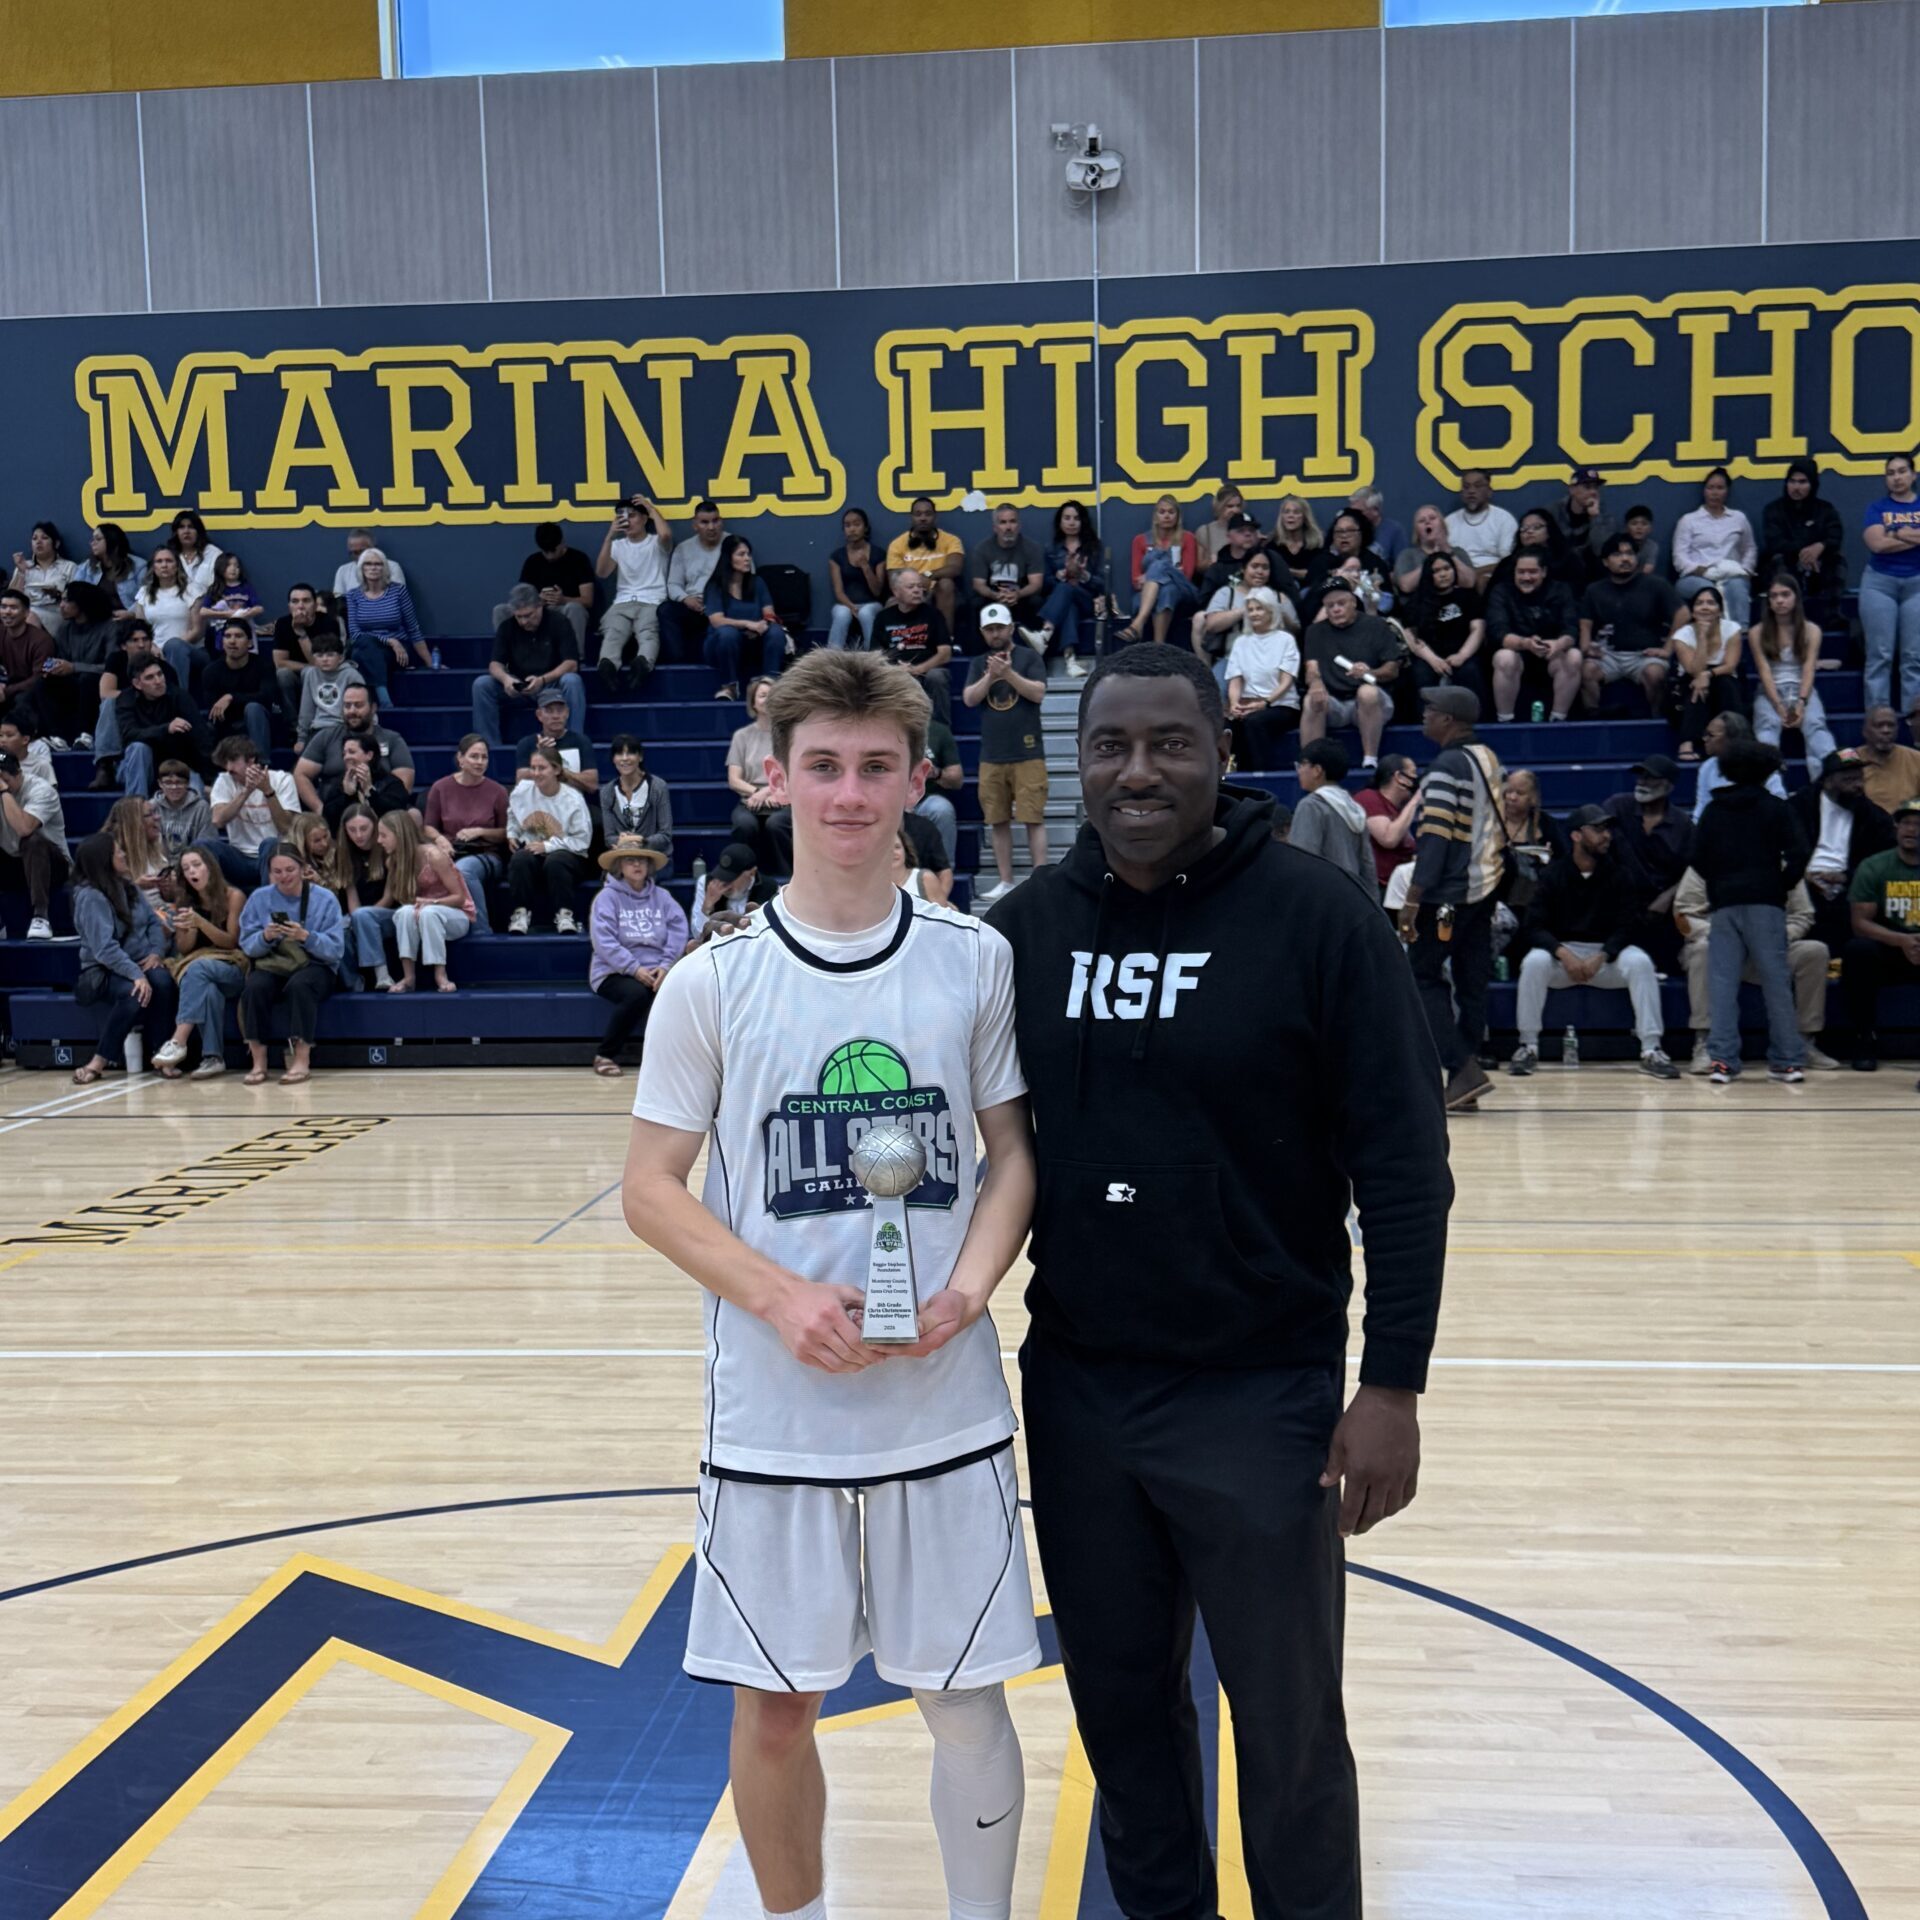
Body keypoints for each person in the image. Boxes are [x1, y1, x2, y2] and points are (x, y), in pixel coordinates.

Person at [985, 641, 1449, 1920]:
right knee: (1123, 1723)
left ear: (1221, 754)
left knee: (1288, 1737)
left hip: (1261, 1392)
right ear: (1079, 765)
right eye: (1111, 747)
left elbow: (1407, 1170)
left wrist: (1392, 1386)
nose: (1138, 772)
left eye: (1168, 744)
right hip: (1080, 1391)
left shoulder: (1318, 920)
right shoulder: (1021, 935)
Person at [623, 647, 1041, 1920]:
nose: (849, 795)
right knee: (776, 1711)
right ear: (774, 778)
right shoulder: (713, 982)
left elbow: (1014, 1157)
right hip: (776, 1415)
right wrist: (779, 1297)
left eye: (874, 767)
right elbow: (650, 1189)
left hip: (941, 1401)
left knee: (963, 1700)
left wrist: (970, 1288)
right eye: (823, 767)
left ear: (917, 779)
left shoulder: (974, 958)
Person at [1508, 806, 1679, 1080]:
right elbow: (1534, 926)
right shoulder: (1553, 874)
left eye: (1607, 829)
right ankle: (1527, 1046)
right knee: (1533, 963)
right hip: (1564, 957)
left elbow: (1627, 927)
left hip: (1605, 958)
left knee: (1641, 963)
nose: (1606, 835)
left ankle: (1651, 1049)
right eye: (1597, 829)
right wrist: (1563, 954)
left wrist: (1603, 955)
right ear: (1576, 835)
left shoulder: (1620, 875)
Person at [1398, 685, 1506, 1110]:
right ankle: (1466, 1078)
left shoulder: (1445, 766)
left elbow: (1436, 837)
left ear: (1449, 719)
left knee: (1421, 977)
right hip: (1486, 887)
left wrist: (1413, 898)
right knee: (1471, 983)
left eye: (1430, 709)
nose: (1424, 715)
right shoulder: (1487, 757)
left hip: (1448, 893)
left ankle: (1461, 1067)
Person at [1685, 740, 1810, 1085]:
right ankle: (1787, 1061)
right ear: (1766, 771)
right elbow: (1800, 852)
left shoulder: (1714, 810)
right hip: (1766, 901)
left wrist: (1720, 882)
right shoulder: (1776, 808)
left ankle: (1722, 1062)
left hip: (1725, 903)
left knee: (1722, 985)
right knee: (1776, 983)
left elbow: (1695, 856)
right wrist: (1782, 883)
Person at [1676, 865, 1834, 1076]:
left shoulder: (1782, 865)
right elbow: (1684, 914)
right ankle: (1706, 1043)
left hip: (1770, 948)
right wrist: (1725, 936)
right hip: (1718, 946)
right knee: (1703, 950)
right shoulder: (1705, 862)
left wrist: (1775, 937)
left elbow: (1802, 915)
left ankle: (1802, 1042)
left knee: (1814, 951)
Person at [67, 832, 180, 1085]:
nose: (124, 854)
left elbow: (153, 922)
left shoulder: (128, 886)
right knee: (134, 994)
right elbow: (105, 949)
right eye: (119, 851)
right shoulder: (91, 897)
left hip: (142, 960)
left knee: (163, 982)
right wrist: (136, 975)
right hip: (105, 968)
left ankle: (161, 1055)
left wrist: (156, 953)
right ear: (104, 859)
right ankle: (99, 1060)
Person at [965, 604, 1049, 905]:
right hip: (992, 754)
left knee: (1033, 817)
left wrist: (1008, 673)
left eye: (1000, 627)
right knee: (997, 820)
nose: (995, 633)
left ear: (1011, 628)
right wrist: (991, 676)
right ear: (982, 633)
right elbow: (969, 698)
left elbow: (1038, 693)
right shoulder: (978, 663)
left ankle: (1040, 881)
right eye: (989, 629)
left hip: (1028, 751)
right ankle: (1005, 881)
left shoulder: (1029, 657)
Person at [238, 850, 344, 1085]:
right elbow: (247, 945)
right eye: (277, 872)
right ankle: (258, 1061)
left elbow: (335, 950)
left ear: (303, 869)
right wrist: (265, 937)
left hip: (316, 965)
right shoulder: (259, 898)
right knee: (254, 986)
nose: (284, 876)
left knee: (300, 985)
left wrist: (306, 936)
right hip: (275, 961)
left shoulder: (325, 899)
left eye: (290, 870)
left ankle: (301, 1059)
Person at [588, 837, 687, 1076]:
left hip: (658, 969)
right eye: (630, 860)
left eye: (642, 860)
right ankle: (605, 1055)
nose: (637, 865)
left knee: (683, 992)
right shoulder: (607, 898)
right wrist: (634, 968)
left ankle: (677, 1060)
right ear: (619, 866)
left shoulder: (663, 897)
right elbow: (603, 942)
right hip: (613, 971)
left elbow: (678, 930)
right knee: (637, 994)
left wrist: (666, 966)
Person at [151, 845, 247, 1079]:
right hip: (201, 967)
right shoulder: (185, 901)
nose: (191, 871)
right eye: (186, 868)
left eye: (196, 865)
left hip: (233, 967)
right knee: (208, 988)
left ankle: (178, 1040)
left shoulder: (233, 896)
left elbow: (231, 942)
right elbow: (184, 949)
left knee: (197, 969)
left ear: (210, 867)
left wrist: (201, 923)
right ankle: (213, 1058)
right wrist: (190, 928)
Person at [1842, 796, 1920, 1073]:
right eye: (1906, 823)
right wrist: (1902, 940)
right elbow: (1860, 923)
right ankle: (1865, 1037)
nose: (1912, 830)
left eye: (1918, 824)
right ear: (1896, 828)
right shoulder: (1874, 866)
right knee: (1858, 950)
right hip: (1892, 949)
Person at [1791, 747, 1895, 952]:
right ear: (1828, 781)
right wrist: (1804, 875)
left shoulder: (1875, 817)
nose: (1858, 786)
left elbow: (1884, 861)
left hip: (1850, 887)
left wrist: (1847, 877)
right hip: (1803, 882)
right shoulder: (1798, 807)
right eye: (1849, 780)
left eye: (1860, 778)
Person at [1298, 580, 1403, 770]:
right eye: (1330, 606)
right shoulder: (1315, 631)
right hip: (1335, 702)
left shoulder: (1376, 625)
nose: (1336, 609)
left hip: (1373, 701)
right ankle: (1310, 763)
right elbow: (1311, 668)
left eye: (1341, 603)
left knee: (1367, 693)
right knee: (1311, 699)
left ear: (1353, 602)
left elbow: (1392, 669)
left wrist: (1370, 672)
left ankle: (1370, 759)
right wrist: (1315, 683)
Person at [1602, 752, 1692, 972]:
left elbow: (1693, 870)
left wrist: (1666, 897)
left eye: (1651, 778)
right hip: (1618, 901)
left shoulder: (1683, 825)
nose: (1642, 782)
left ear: (1668, 786)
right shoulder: (1617, 807)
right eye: (1641, 776)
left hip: (1660, 909)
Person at [1579, 532, 1680, 714]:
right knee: (1587, 671)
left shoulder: (1656, 585)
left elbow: (1683, 614)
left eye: (1630, 553)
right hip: (1607, 654)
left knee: (1655, 675)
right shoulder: (1594, 590)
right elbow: (1585, 623)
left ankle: (1657, 721)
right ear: (1605, 561)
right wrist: (1586, 647)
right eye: (1617, 554)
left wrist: (1668, 649)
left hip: (1645, 654)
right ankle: (1592, 719)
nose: (1625, 559)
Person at [476, 583, 585, 750]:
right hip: (518, 685)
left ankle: (572, 745)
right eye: (519, 617)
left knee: (572, 681)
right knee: (482, 684)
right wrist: (506, 679)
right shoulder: (507, 626)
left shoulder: (559, 621)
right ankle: (488, 749)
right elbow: (495, 664)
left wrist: (542, 680)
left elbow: (571, 664)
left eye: (528, 615)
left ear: (539, 606)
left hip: (550, 685)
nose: (523, 622)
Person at [378, 806, 473, 992]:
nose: (378, 840)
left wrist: (433, 902)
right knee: (404, 912)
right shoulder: (393, 861)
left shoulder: (434, 856)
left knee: (429, 913)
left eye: (383, 835)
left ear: (399, 835)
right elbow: (405, 900)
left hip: (455, 914)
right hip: (422, 913)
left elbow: (460, 898)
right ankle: (409, 977)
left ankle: (440, 975)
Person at [1750, 573, 1836, 776]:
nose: (1779, 600)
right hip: (1770, 691)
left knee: (1816, 727)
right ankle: (1770, 788)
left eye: (1785, 594)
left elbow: (1808, 668)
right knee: (1767, 729)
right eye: (1774, 596)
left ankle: (1829, 782)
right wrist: (1778, 705)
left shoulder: (1812, 630)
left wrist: (1801, 702)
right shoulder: (1757, 632)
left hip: (1802, 688)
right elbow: (1764, 671)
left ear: (1796, 597)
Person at [424, 734, 511, 927]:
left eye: (484, 757)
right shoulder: (440, 788)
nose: (480, 762)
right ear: (460, 758)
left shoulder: (498, 791)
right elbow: (428, 826)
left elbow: (507, 833)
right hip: (450, 850)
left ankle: (481, 929)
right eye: (474, 756)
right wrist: (440, 839)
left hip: (486, 853)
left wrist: (481, 831)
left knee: (464, 870)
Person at [1858, 450, 1920, 718]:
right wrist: (1911, 536)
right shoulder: (1877, 508)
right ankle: (1878, 719)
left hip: (1917, 584)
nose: (1897, 477)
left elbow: (1886, 540)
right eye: (1891, 473)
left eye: (1902, 471)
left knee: (1913, 657)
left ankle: (1914, 722)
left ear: (1913, 475)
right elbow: (1877, 545)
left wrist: (1895, 533)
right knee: (1880, 655)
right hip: (1879, 584)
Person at [507, 745, 593, 934]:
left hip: (570, 854)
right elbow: (513, 814)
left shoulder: (573, 799)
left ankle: (565, 915)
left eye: (542, 768)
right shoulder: (522, 791)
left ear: (556, 770)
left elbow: (582, 841)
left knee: (556, 861)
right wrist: (512, 833)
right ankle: (520, 913)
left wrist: (547, 846)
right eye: (533, 768)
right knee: (520, 859)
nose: (536, 773)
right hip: (534, 851)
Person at [294, 684, 416, 813]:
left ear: (373, 708)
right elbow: (301, 774)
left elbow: (404, 784)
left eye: (358, 705)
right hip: (336, 810)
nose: (352, 711)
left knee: (414, 814)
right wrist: (321, 810)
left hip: (382, 812)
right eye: (347, 706)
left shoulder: (392, 739)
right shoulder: (326, 737)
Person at [593, 491, 671, 694]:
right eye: (621, 516)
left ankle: (642, 664)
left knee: (648, 632)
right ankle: (607, 667)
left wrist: (651, 508)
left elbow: (666, 535)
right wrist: (610, 536)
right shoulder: (617, 545)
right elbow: (602, 572)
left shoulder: (655, 542)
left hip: (652, 601)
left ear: (644, 519)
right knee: (613, 633)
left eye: (632, 515)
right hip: (623, 601)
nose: (627, 520)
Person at [1222, 585, 1301, 771]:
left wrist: (1265, 702)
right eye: (1250, 610)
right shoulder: (1241, 642)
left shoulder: (1285, 640)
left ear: (1271, 611)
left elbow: (1286, 682)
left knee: (1254, 722)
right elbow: (1235, 680)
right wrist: (1234, 704)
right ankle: (1233, 775)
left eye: (1259, 608)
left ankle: (1261, 775)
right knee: (1225, 724)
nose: (1254, 613)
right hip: (1248, 703)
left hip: (1280, 705)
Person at [31, 582, 120, 746]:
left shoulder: (110, 628)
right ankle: (56, 737)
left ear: (82, 603)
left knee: (87, 679)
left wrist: (74, 667)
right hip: (72, 683)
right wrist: (51, 668)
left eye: (66, 601)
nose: (61, 605)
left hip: (98, 683)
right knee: (42, 683)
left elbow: (112, 665)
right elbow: (59, 657)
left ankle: (85, 736)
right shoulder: (65, 628)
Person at [1027, 499, 1108, 677]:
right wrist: (1059, 576)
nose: (1071, 523)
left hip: (1086, 599)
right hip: (1062, 601)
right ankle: (1070, 660)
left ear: (1083, 522)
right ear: (1060, 521)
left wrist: (1083, 575)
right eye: (1067, 518)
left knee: (1067, 589)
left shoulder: (1094, 547)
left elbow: (1103, 583)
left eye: (1076, 518)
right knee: (1068, 601)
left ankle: (1045, 634)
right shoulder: (1051, 549)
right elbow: (1045, 584)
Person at [1290, 738, 1378, 899]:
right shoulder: (1353, 806)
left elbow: (1302, 860)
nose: (1299, 771)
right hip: (1353, 898)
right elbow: (1368, 864)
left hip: (1323, 900)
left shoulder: (1311, 805)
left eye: (1302, 765)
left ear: (1317, 770)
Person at [703, 534, 788, 699]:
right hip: (721, 645)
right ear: (729, 558)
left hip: (753, 640)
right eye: (741, 554)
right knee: (727, 633)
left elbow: (769, 614)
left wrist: (761, 626)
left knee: (776, 631)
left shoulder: (757, 583)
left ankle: (769, 685)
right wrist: (748, 624)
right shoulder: (715, 586)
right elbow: (717, 620)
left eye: (748, 554)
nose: (747, 558)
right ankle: (730, 687)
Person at [1672, 467, 1757, 629]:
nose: (1715, 493)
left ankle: (1740, 634)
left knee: (1737, 587)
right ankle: (1709, 634)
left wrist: (1745, 570)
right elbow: (1679, 557)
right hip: (1695, 577)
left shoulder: (1739, 518)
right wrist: (1700, 571)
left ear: (1727, 491)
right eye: (1710, 488)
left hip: (1732, 574)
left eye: (1720, 488)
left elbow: (1749, 548)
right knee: (1709, 592)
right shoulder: (1688, 520)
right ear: (1704, 491)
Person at [113, 656, 208, 797]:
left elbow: (201, 737)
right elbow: (130, 734)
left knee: (194, 792)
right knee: (138, 747)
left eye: (160, 674)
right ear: (137, 684)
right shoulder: (126, 699)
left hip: (175, 765)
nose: (158, 681)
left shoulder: (179, 696)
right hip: (138, 766)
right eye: (150, 678)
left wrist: (209, 778)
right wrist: (166, 729)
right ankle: (137, 806)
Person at [1759, 459, 1845, 615]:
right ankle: (1786, 617)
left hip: (1817, 568)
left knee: (1837, 561)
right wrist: (1805, 553)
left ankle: (1833, 616)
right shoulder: (1773, 510)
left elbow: (1835, 536)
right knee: (1777, 560)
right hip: (1787, 564)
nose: (1796, 487)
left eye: (1802, 482)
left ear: (1812, 484)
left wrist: (1821, 546)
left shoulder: (1825, 509)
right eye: (1792, 481)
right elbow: (1775, 543)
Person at [1401, 550, 1486, 707]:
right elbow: (1412, 637)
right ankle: (1424, 720)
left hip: (1463, 653)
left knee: (1471, 672)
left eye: (1447, 568)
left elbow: (1478, 629)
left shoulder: (1468, 597)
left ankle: (1476, 719)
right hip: (1428, 656)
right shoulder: (1416, 603)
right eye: (1436, 571)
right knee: (1420, 675)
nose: (1443, 574)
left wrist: (1462, 655)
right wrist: (1433, 660)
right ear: (1428, 575)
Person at [344, 547, 428, 707]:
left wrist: (430, 662)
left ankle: (376, 703)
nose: (373, 568)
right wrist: (388, 640)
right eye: (368, 564)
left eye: (378, 564)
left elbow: (413, 629)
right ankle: (384, 699)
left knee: (360, 654)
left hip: (398, 651)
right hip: (372, 646)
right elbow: (355, 633)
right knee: (366, 646)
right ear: (361, 568)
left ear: (385, 568)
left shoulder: (398, 591)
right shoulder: (353, 595)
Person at [0, 746, 68, 941]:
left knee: (32, 841)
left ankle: (41, 917)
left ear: (19, 773)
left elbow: (24, 828)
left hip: (51, 865)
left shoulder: (42, 790)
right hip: (12, 864)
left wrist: (4, 792)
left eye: (5, 779)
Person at [1671, 584, 1746, 762]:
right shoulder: (1682, 635)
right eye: (1700, 603)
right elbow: (1694, 670)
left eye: (1711, 603)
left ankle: (1736, 741)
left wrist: (1708, 675)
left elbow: (1730, 665)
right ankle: (1687, 742)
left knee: (1725, 683)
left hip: (1722, 675)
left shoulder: (1731, 629)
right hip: (1691, 677)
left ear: (1719, 610)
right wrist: (1702, 637)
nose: (1705, 607)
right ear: (1693, 610)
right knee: (1696, 688)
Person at [1116, 494, 1201, 645]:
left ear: (1177, 516)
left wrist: (1150, 575)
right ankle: (1159, 646)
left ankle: (1138, 623)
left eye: (1171, 512)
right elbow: (1136, 581)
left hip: (1184, 592)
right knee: (1167, 591)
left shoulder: (1187, 538)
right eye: (1162, 512)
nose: (1166, 516)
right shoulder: (1140, 540)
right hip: (1151, 594)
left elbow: (1186, 575)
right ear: (1155, 516)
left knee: (1158, 566)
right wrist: (1170, 573)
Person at [875, 568, 954, 726]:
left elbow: (945, 653)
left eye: (919, 586)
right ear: (896, 591)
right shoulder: (883, 618)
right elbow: (876, 655)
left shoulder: (933, 614)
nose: (917, 590)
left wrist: (918, 669)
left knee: (937, 677)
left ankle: (941, 730)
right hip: (896, 670)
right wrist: (896, 669)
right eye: (911, 587)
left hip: (927, 670)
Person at [199, 619, 280, 764]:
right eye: (227, 636)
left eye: (238, 636)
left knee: (253, 708)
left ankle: (260, 765)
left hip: (257, 724)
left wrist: (231, 697)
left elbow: (267, 697)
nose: (232, 641)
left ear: (249, 642)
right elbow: (215, 708)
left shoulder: (263, 665)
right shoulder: (211, 671)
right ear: (222, 642)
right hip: (226, 725)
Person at [509, 520, 595, 654]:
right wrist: (538, 601)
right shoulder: (533, 562)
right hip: (538, 611)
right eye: (545, 551)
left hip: (565, 609)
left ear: (562, 542)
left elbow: (588, 600)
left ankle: (575, 658)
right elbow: (522, 601)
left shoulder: (579, 559)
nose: (550, 555)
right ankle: (513, 657)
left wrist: (563, 599)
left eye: (553, 550)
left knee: (575, 608)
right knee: (500, 610)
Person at [273, 584, 349, 730]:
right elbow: (280, 663)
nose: (300, 606)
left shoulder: (328, 622)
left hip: (325, 676)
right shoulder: (283, 624)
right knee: (283, 674)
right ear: (289, 606)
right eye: (295, 601)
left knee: (310, 672)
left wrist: (301, 633)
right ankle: (293, 727)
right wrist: (308, 668)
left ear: (315, 605)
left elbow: (322, 663)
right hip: (297, 676)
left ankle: (320, 722)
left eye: (306, 601)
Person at [884, 493, 964, 625]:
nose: (923, 518)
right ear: (911, 517)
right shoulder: (897, 544)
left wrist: (928, 575)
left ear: (935, 516)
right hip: (910, 591)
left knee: (946, 584)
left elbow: (955, 568)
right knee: (892, 603)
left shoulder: (951, 540)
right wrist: (917, 585)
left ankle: (946, 636)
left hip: (939, 592)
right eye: (918, 514)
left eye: (928, 514)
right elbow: (894, 579)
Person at [967, 504, 1046, 637]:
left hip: (1021, 596)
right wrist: (996, 595)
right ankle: (976, 649)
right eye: (1003, 522)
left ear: (1019, 525)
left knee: (1036, 602)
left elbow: (1036, 584)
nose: (1008, 527)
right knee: (975, 604)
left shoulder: (1032, 548)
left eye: (1012, 521)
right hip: (992, 596)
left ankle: (1035, 646)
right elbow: (978, 584)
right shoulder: (982, 549)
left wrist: (1018, 594)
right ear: (995, 527)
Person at [725, 676, 782, 860]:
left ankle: (786, 873)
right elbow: (734, 780)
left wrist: (769, 792)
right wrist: (757, 793)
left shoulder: (788, 735)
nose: (768, 700)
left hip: (782, 799)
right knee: (744, 825)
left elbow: (793, 774)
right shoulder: (742, 736)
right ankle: (747, 871)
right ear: (753, 703)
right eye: (763, 695)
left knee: (777, 824)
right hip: (750, 800)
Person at [600, 732, 673, 865]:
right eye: (619, 754)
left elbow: (665, 834)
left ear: (640, 757)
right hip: (623, 859)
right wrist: (623, 843)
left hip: (654, 859)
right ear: (613, 759)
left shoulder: (657, 787)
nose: (625, 758)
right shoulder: (607, 792)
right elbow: (609, 838)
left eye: (630, 753)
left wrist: (641, 841)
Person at [513, 684, 598, 798]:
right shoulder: (526, 744)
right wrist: (540, 756)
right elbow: (521, 782)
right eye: (549, 711)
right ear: (539, 715)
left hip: (574, 802)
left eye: (560, 711)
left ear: (567, 713)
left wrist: (555, 766)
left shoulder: (581, 741)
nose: (556, 716)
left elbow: (592, 784)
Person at [824, 507, 886, 652]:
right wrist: (851, 607)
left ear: (865, 527)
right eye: (847, 525)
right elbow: (838, 592)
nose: (852, 529)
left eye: (857, 524)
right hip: (846, 603)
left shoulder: (878, 554)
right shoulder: (837, 556)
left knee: (865, 613)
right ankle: (831, 657)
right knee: (842, 613)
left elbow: (877, 591)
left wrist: (865, 567)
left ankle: (874, 656)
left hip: (872, 604)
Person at [1485, 508, 1585, 599]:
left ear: (1549, 531)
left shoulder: (1567, 560)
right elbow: (1491, 597)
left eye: (1536, 527)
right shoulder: (1507, 563)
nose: (1529, 531)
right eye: (1524, 528)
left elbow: (1576, 595)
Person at [1357, 753, 1419, 896]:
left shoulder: (1399, 811)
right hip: (1378, 889)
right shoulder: (1369, 798)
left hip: (1398, 887)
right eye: (1413, 773)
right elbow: (1388, 839)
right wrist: (1416, 800)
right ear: (1399, 777)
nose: (1417, 778)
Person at [1444, 468, 1517, 588]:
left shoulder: (1503, 519)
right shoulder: (1449, 521)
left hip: (1492, 577)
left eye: (1478, 486)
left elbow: (1508, 561)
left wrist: (1476, 573)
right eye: (1466, 487)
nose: (1471, 491)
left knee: (1482, 581)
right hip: (1458, 577)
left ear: (1489, 492)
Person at [292, 629, 363, 749]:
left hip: (344, 728)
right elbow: (306, 709)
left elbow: (363, 706)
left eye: (330, 655)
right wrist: (301, 738)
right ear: (314, 658)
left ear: (341, 658)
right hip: (317, 729)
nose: (325, 659)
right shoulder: (311, 674)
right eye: (319, 656)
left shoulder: (351, 675)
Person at [134, 548, 198, 680]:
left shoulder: (193, 590)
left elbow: (197, 631)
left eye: (169, 561)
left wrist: (169, 650)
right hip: (154, 650)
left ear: (177, 565)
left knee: (174, 646)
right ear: (153, 567)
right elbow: (140, 629)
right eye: (159, 561)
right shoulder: (144, 592)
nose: (164, 565)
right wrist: (152, 647)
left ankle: (177, 691)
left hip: (189, 649)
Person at [187, 549, 265, 658]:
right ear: (221, 567)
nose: (233, 569)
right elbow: (203, 612)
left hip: (243, 628)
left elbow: (259, 608)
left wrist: (244, 615)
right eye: (229, 565)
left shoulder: (246, 588)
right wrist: (226, 614)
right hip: (221, 632)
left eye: (236, 566)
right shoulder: (215, 589)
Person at [0, 586, 55, 729]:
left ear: (26, 613)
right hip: (8, 685)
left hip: (34, 688)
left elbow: (40, 677)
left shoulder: (42, 640)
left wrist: (6, 691)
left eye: (13, 608)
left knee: (23, 699)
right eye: (3, 607)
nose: (7, 612)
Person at [688, 838, 764, 939]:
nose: (724, 882)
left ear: (752, 873)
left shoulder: (770, 889)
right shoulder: (707, 883)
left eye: (731, 878)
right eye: (722, 875)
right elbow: (698, 936)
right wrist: (706, 907)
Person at [10, 522, 76, 639]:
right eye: (34, 539)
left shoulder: (69, 567)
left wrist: (58, 594)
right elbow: (11, 599)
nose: (38, 542)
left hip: (56, 613)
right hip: (27, 613)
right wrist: (21, 572)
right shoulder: (24, 566)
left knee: (28, 617)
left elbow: (77, 598)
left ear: (56, 543)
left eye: (44, 538)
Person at [916, 713, 964, 868]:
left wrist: (936, 773)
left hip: (927, 797)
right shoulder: (888, 728)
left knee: (942, 810)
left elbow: (957, 779)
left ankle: (944, 871)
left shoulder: (938, 731)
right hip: (894, 798)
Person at [1547, 467, 1614, 578]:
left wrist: (1595, 518)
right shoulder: (1554, 512)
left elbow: (1601, 550)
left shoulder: (1603, 516)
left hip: (1591, 574)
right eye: (1587, 487)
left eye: (1596, 488)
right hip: (1559, 573)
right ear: (1572, 489)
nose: (1593, 492)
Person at [71, 522, 144, 617]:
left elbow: (146, 596)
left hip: (128, 618)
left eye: (98, 539)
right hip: (96, 619)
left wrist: (131, 614)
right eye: (92, 539)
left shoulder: (138, 566)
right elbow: (74, 593)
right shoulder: (86, 567)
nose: (93, 543)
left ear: (112, 540)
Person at [1858, 705, 1920, 816]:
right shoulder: (1852, 761)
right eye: (1879, 726)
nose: (1886, 730)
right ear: (1865, 731)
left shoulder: (1916, 759)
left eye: (1891, 726)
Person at [1391, 502, 1455, 597]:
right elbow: (1405, 586)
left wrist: (1448, 552)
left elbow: (1469, 582)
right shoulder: (1407, 555)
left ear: (1442, 525)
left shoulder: (1457, 552)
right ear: (1417, 531)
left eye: (1432, 518)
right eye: (1421, 521)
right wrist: (1431, 559)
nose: (1427, 522)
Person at [151, 760, 212, 858]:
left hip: (192, 861)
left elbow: (207, 843)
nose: (174, 787)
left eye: (179, 782)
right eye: (168, 783)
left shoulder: (201, 807)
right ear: (160, 784)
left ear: (188, 783)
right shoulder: (152, 806)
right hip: (160, 861)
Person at [330, 530, 405, 605]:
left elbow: (399, 598)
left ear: (374, 548)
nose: (359, 556)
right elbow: (339, 601)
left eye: (362, 551)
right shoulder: (343, 571)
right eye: (354, 552)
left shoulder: (392, 567)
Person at [1270, 492, 1324, 595]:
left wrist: (1287, 571)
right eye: (1286, 512)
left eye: (1296, 512)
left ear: (1305, 517)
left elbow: (1315, 574)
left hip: (1311, 593)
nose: (1290, 516)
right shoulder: (1273, 544)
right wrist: (1299, 573)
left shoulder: (1316, 545)